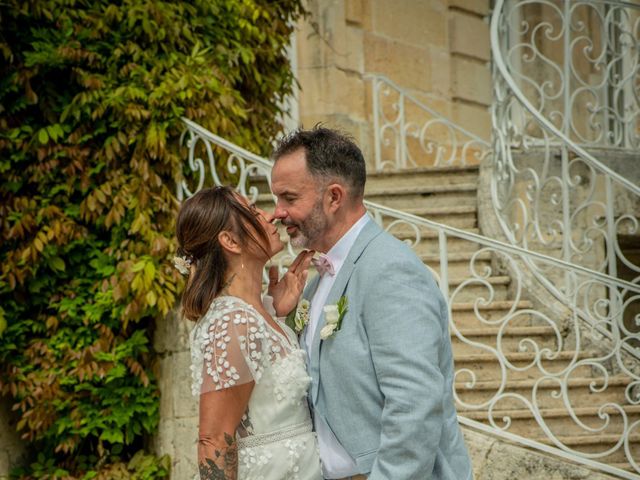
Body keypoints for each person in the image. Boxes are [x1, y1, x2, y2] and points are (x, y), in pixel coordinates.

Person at [270, 127, 473, 480]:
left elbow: (414, 404)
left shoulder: (389, 270)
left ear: (334, 197)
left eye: (289, 198)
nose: (277, 213)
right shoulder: (316, 281)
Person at [175, 186, 321, 480]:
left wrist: (278, 315)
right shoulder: (233, 323)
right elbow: (214, 442)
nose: (270, 216)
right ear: (229, 240)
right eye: (253, 211)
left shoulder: (259, 313)